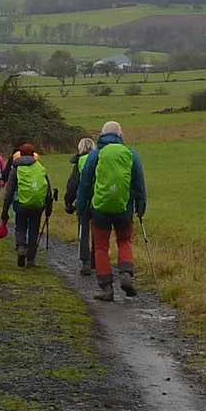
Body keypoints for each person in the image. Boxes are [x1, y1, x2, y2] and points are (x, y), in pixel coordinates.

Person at [76, 121, 147, 301]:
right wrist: (141, 206)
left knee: (101, 247)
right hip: (124, 208)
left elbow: (85, 183)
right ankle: (126, 274)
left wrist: (81, 208)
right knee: (124, 240)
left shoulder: (95, 155)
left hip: (100, 209)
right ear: (120, 136)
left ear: (102, 136)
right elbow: (139, 182)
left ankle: (106, 289)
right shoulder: (131, 154)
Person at [1, 143, 53, 268]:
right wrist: (48, 207)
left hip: (20, 203)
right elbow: (47, 189)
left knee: (20, 228)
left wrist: (5, 209)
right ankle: (31, 259)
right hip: (37, 205)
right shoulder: (40, 167)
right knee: (34, 231)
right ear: (33, 154)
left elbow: (9, 190)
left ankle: (21, 247)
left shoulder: (16, 168)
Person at [65, 137, 97, 276]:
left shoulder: (80, 162)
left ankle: (86, 262)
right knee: (97, 231)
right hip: (98, 201)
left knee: (83, 231)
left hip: (83, 201)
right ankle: (97, 260)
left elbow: (73, 184)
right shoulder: (99, 160)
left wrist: (68, 201)